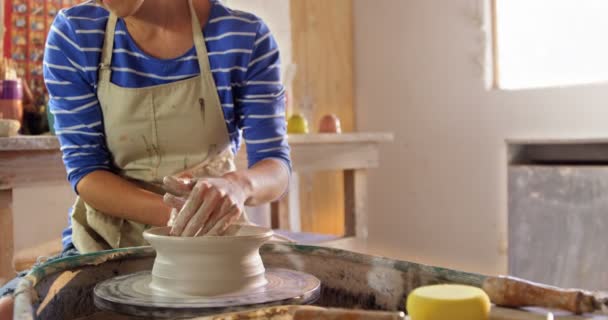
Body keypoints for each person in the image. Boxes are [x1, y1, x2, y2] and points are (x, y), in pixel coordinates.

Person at [0, 0, 290, 317]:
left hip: (214, 243)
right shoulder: (76, 34)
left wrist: (239, 186)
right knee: (15, 310)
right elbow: (87, 174)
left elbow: (275, 166)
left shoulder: (244, 37)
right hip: (106, 243)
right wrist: (178, 216)